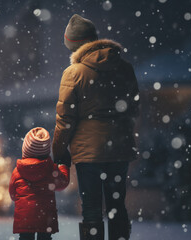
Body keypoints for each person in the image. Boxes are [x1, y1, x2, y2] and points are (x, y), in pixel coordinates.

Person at [52, 14, 140, 240]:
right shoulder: (125, 68)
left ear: (74, 44)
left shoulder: (74, 73)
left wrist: (60, 151)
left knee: (91, 209)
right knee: (117, 206)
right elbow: (134, 109)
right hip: (119, 149)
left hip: (88, 153)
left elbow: (65, 118)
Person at [9, 127, 70, 240]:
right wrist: (64, 165)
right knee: (45, 237)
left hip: (24, 218)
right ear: (46, 151)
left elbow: (13, 194)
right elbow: (63, 182)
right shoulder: (51, 170)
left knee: (25, 237)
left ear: (25, 149)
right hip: (45, 217)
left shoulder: (17, 171)